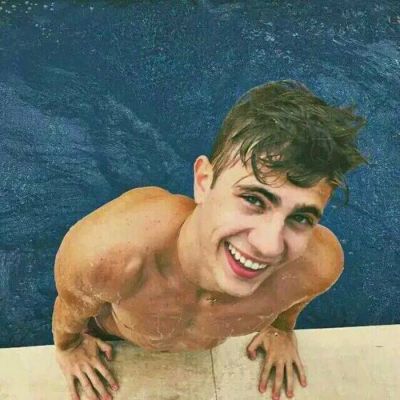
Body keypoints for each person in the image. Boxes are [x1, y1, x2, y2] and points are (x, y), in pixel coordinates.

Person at [52, 80, 366, 400]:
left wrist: (280, 328)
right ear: (204, 181)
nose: (269, 246)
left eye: (300, 218)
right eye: (253, 200)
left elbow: (295, 299)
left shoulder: (315, 267)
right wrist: (70, 346)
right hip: (113, 332)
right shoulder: (110, 254)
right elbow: (70, 306)